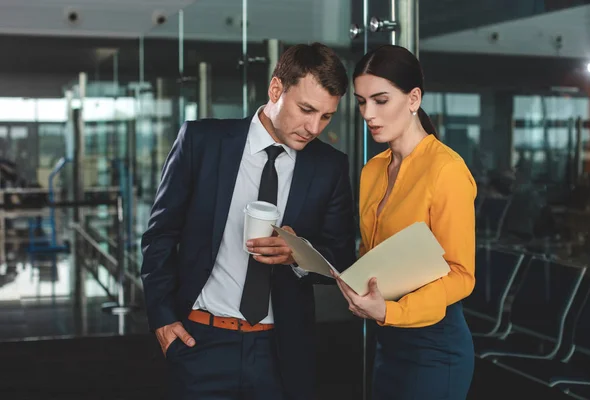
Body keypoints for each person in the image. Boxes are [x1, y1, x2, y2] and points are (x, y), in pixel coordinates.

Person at [140, 42, 356, 400]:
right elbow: (160, 235)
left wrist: (298, 254)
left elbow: (341, 256)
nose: (314, 127)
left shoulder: (329, 166)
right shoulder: (202, 141)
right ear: (276, 89)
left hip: (281, 351)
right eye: (306, 109)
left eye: (326, 116)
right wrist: (162, 319)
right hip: (201, 342)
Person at [333, 44, 477, 400]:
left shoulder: (446, 170)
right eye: (362, 101)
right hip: (388, 342)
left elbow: (461, 275)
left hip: (435, 346)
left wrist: (391, 310)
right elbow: (371, 255)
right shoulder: (373, 170)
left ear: (413, 99)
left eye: (380, 100)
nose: (368, 113)